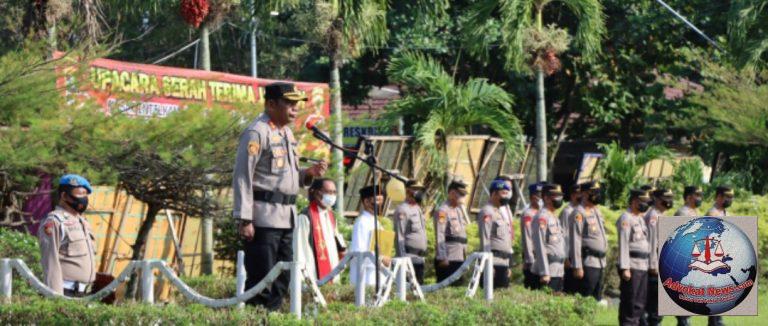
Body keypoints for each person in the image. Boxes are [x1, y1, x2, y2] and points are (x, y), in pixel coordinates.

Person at [232, 82, 327, 309]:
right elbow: (243, 176)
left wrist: (308, 174)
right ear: (271, 104)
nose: (295, 108)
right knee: (262, 281)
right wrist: (245, 219)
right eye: (289, 103)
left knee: (283, 279)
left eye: (296, 104)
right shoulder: (257, 132)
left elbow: (285, 176)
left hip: (286, 218)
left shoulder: (286, 132)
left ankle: (271, 318)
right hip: (263, 219)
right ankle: (257, 321)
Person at [38, 174, 97, 297]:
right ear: (64, 196)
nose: (83, 199)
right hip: (65, 292)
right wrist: (56, 298)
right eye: (79, 194)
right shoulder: (55, 221)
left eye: (85, 194)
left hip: (85, 293)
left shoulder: (83, 222)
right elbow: (50, 261)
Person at [294, 178, 346, 282]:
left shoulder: (331, 216)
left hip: (332, 269)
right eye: (328, 192)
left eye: (334, 192)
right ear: (317, 193)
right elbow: (299, 248)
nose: (332, 196)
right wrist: (303, 276)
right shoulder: (305, 216)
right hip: (313, 272)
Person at [617, 189, 652, 326]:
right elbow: (623, 243)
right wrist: (625, 267)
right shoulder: (626, 218)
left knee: (639, 303)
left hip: (642, 265)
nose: (646, 204)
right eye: (643, 201)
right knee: (629, 302)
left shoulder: (639, 218)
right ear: (634, 201)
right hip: (631, 266)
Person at [569, 181, 608, 301]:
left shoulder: (596, 211)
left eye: (598, 192)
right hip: (588, 263)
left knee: (596, 299)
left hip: (600, 262)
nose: (597, 195)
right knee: (585, 299)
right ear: (584, 194)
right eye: (594, 192)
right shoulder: (578, 213)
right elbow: (575, 240)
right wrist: (577, 266)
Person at [642, 188, 674, 326]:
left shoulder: (662, 214)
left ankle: (655, 321)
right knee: (653, 299)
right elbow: (652, 242)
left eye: (670, 198)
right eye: (666, 198)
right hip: (654, 264)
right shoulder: (653, 216)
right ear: (656, 199)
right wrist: (653, 264)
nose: (669, 201)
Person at [477, 179, 514, 288]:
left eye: (507, 193)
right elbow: (485, 238)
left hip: (503, 262)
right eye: (503, 193)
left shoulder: (499, 212)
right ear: (494, 194)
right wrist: (487, 264)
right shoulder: (487, 212)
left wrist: (508, 265)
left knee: (502, 295)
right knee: (490, 293)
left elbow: (505, 241)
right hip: (493, 262)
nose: (506, 197)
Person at [349, 185, 389, 287]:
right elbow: (359, 254)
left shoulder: (376, 222)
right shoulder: (362, 223)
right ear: (366, 202)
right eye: (378, 200)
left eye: (382, 201)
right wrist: (381, 258)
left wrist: (386, 257)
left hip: (378, 276)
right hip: (366, 279)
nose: (381, 205)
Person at [531, 183, 567, 292]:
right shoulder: (541, 217)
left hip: (557, 271)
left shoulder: (554, 217)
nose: (559, 198)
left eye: (560, 195)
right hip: (547, 272)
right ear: (546, 198)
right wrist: (544, 272)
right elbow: (539, 246)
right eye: (556, 195)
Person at [434, 180, 470, 285]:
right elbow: (440, 234)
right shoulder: (443, 211)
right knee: (447, 288)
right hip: (448, 259)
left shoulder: (458, 210)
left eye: (464, 194)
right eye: (461, 194)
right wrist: (442, 257)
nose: (463, 197)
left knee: (459, 287)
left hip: (460, 257)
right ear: (452, 193)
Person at [392, 180, 428, 284]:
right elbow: (399, 237)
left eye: (420, 190)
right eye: (416, 189)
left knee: (419, 289)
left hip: (419, 259)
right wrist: (403, 261)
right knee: (407, 290)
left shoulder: (417, 208)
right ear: (408, 191)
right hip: (408, 259)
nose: (419, 192)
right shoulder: (402, 210)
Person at [521, 182, 543, 289]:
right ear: (533, 197)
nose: (542, 198)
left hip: (542, 255)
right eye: (539, 195)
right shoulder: (528, 214)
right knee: (533, 286)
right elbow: (527, 237)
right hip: (533, 256)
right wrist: (530, 259)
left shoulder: (542, 213)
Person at [561, 183, 581, 294]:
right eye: (578, 194)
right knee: (570, 288)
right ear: (573, 195)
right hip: (570, 255)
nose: (581, 196)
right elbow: (564, 235)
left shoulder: (581, 210)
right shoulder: (567, 212)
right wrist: (565, 257)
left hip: (579, 254)